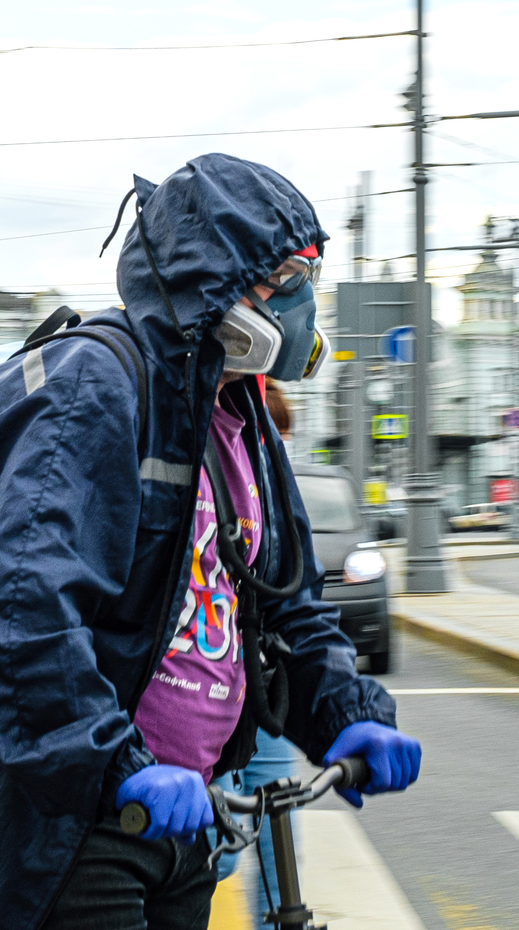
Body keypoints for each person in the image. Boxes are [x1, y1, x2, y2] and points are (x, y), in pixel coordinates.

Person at [0, 154, 420, 930]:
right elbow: (21, 609)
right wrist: (111, 764)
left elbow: (286, 601)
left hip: (188, 814)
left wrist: (345, 710)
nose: (308, 299)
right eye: (290, 276)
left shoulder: (243, 419)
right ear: (220, 284)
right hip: (80, 822)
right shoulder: (95, 384)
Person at [214, 377, 309, 922]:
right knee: (217, 852)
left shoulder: (274, 495)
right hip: (215, 688)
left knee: (282, 833)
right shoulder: (218, 481)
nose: (279, 451)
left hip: (264, 689)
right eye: (275, 437)